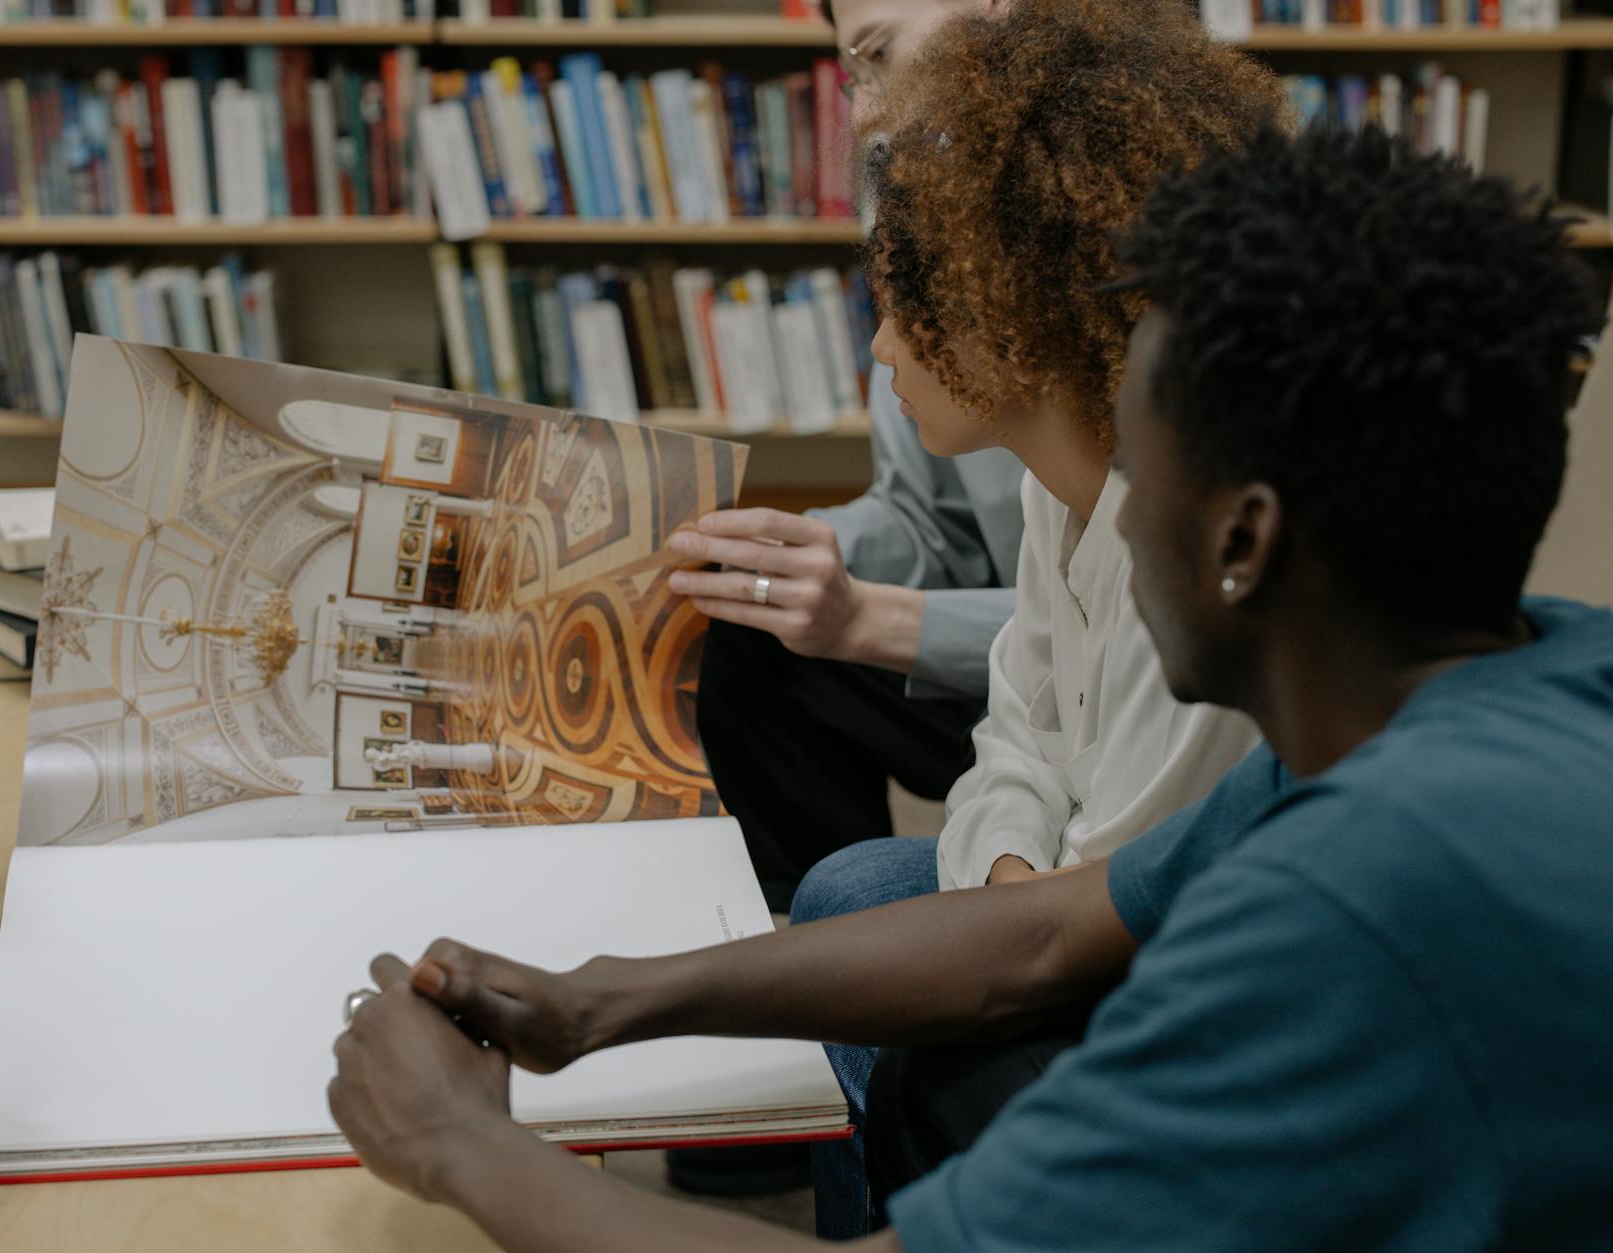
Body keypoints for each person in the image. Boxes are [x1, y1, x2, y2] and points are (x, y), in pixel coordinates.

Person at [328, 125, 1613, 1250]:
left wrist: (454, 1142)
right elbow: (1044, 933)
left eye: (1137, 454)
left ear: (1242, 540)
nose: (1103, 499)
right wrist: (597, 997)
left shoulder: (1343, 904)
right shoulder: (1485, 687)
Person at [699, 0, 1275, 1220]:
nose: (876, 356)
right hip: (1074, 876)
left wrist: (1000, 918)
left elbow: (1115, 906)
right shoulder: (1053, 477)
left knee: (898, 993)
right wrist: (1009, 872)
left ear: (998, 314)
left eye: (896, 307)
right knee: (856, 894)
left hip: (1184, 963)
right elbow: (1015, 737)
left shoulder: (1174, 541)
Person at [678, 0, 1027, 912]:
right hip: (1019, 678)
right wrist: (761, 548)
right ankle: (803, 948)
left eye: (878, 55)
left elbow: (1130, 626)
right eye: (852, 71)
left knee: (863, 884)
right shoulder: (928, 212)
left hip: (1113, 686)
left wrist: (867, 619)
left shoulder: (1122, 226)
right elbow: (928, 524)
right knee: (744, 617)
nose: (865, 111)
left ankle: (850, 943)